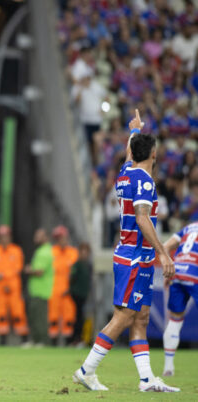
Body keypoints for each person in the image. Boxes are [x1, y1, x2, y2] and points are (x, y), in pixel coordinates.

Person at [73, 110, 179, 392]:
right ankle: (87, 370)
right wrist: (164, 254)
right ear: (154, 154)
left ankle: (146, 379)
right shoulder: (143, 182)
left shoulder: (125, 173)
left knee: (140, 317)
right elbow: (143, 218)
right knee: (123, 317)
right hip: (135, 257)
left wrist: (134, 131)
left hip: (133, 256)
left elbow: (130, 155)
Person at [161, 221, 198, 377]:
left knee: (175, 320)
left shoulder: (189, 227)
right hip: (195, 273)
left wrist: (168, 266)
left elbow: (165, 246)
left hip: (177, 272)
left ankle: (168, 368)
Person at [0, 224, 29, 345]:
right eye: (1, 236)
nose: (4, 239)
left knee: (18, 313)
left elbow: (18, 268)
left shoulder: (16, 251)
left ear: (9, 237)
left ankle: (24, 340)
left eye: (6, 236)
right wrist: (4, 276)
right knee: (0, 314)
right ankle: (2, 340)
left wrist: (3, 276)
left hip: (13, 288)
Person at [48, 225, 78, 345]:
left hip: (68, 289)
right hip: (54, 288)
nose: (62, 240)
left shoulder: (73, 252)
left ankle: (68, 342)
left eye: (63, 237)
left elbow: (75, 273)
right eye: (59, 238)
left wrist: (71, 288)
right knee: (53, 316)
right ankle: (53, 342)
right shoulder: (51, 252)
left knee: (68, 316)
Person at [24, 228, 54, 347]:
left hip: (42, 290)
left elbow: (39, 271)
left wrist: (28, 270)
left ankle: (43, 341)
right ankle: (35, 340)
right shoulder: (41, 250)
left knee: (40, 318)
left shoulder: (45, 251)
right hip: (36, 290)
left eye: (39, 235)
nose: (35, 237)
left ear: (46, 237)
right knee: (34, 316)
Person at [70, 242, 92, 347]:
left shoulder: (88, 265)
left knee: (83, 317)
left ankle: (84, 339)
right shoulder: (77, 264)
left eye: (86, 252)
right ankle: (76, 338)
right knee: (78, 317)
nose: (84, 254)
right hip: (77, 294)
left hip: (85, 295)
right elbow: (72, 278)